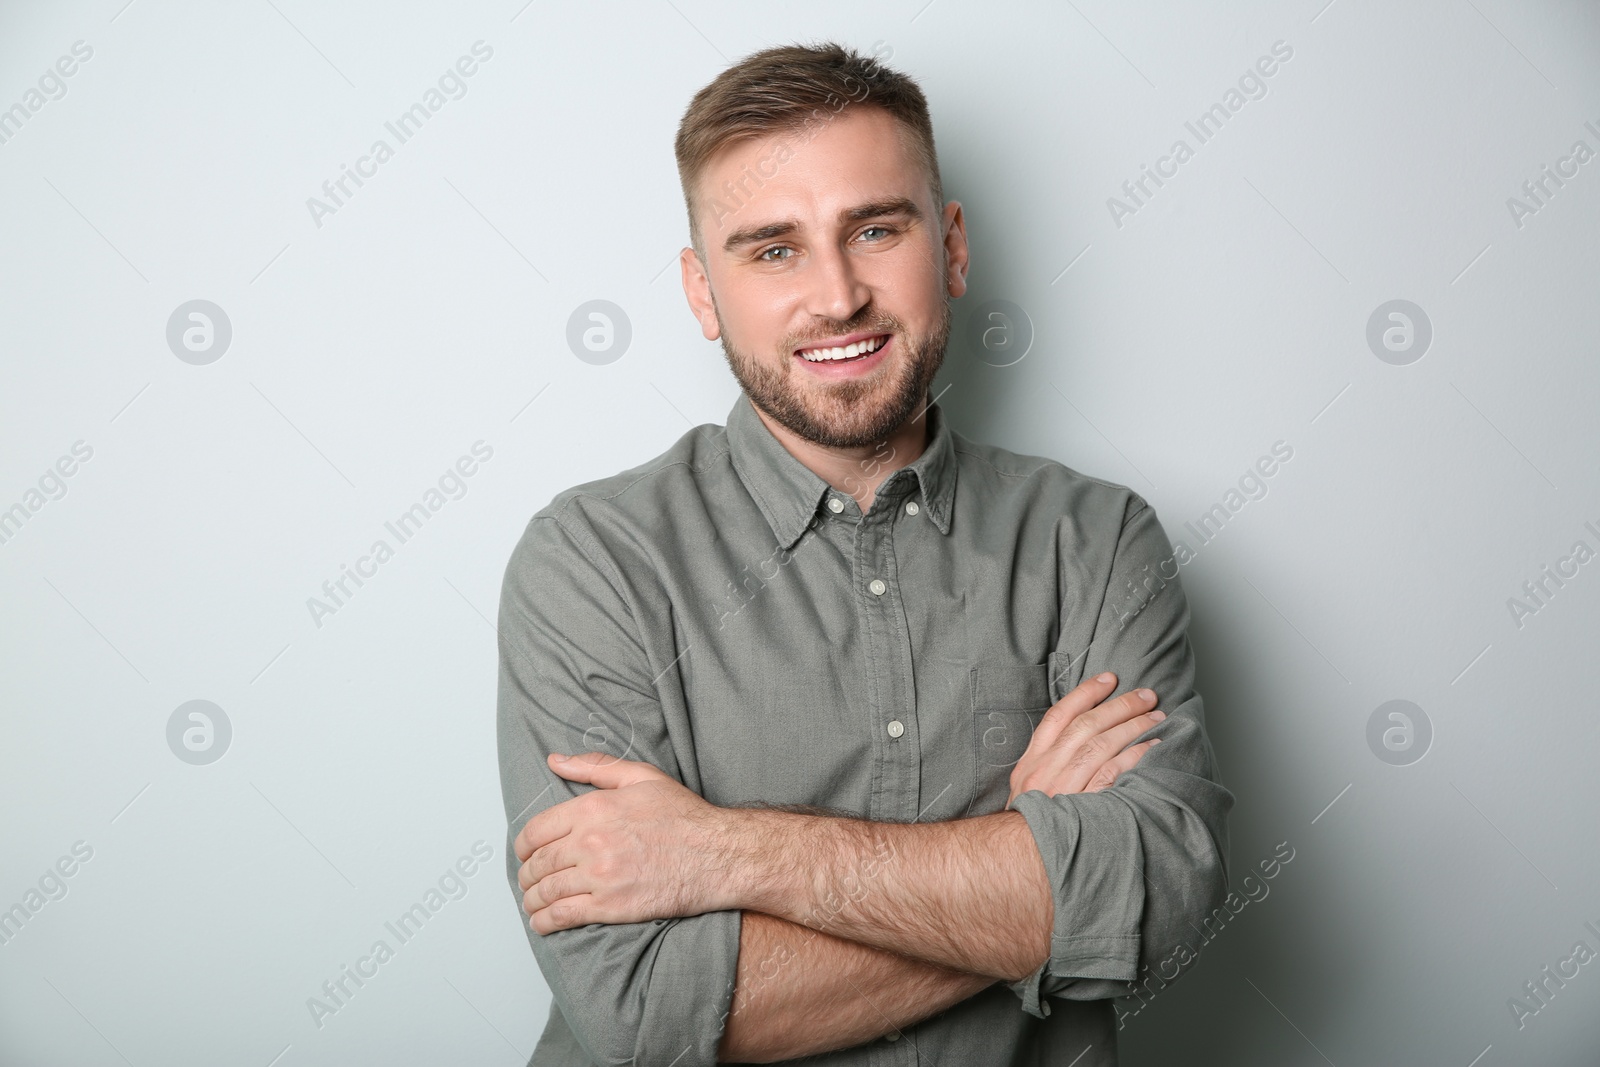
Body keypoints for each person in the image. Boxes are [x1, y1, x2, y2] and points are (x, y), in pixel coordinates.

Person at [496, 40, 1232, 1066]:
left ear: (953, 246)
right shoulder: (592, 561)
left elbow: (1156, 895)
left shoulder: (1094, 540)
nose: (836, 295)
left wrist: (726, 851)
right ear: (702, 292)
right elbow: (646, 1009)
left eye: (874, 229)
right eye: (771, 249)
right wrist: (1030, 875)